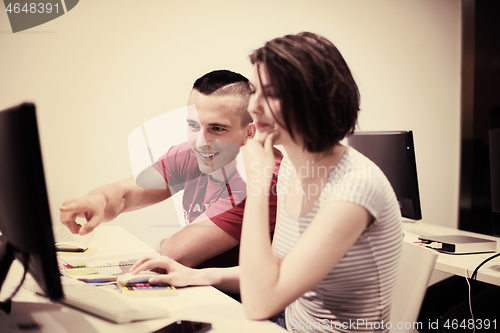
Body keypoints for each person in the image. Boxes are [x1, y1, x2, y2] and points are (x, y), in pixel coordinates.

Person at [130, 32, 403, 332]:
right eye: (255, 90)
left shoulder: (354, 187)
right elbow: (269, 273)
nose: (254, 106)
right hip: (285, 322)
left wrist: (258, 183)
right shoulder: (291, 170)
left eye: (269, 93)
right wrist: (197, 276)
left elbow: (261, 301)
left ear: (311, 101)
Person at [60, 70, 279, 270]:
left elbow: (177, 254)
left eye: (217, 128)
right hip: (198, 288)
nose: (200, 141)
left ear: (250, 132)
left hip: (241, 306)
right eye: (193, 125)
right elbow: (125, 194)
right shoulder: (190, 156)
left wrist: (164, 244)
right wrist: (97, 201)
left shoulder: (261, 179)